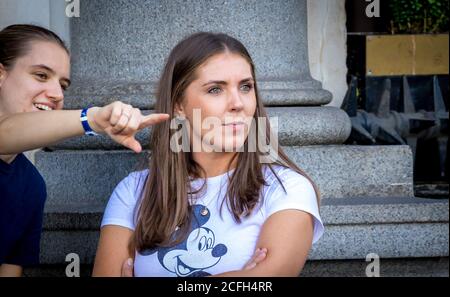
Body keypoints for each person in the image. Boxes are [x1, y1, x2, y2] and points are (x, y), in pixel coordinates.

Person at [93, 32, 324, 277]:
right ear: (178, 106)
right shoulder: (134, 190)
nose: (238, 103)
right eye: (215, 90)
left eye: (246, 87)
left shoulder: (287, 189)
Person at [0, 24, 170, 276]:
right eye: (41, 75)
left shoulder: (31, 186)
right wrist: (93, 119)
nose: (57, 93)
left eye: (64, 85)